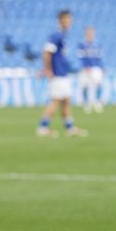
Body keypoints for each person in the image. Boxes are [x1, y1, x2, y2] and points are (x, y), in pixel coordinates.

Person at [36, 9, 86, 138]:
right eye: (66, 19)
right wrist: (48, 70)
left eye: (70, 19)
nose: (68, 22)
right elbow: (46, 53)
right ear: (60, 21)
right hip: (57, 73)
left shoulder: (63, 36)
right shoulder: (56, 36)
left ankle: (70, 128)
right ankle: (43, 127)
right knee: (56, 101)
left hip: (63, 73)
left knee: (66, 101)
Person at [77, 26, 105, 113]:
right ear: (86, 34)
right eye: (88, 32)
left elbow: (100, 57)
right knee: (85, 85)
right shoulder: (82, 45)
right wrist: (85, 66)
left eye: (92, 32)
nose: (90, 34)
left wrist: (102, 67)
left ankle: (97, 101)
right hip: (86, 68)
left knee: (98, 84)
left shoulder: (97, 44)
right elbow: (80, 57)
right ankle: (86, 103)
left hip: (96, 67)